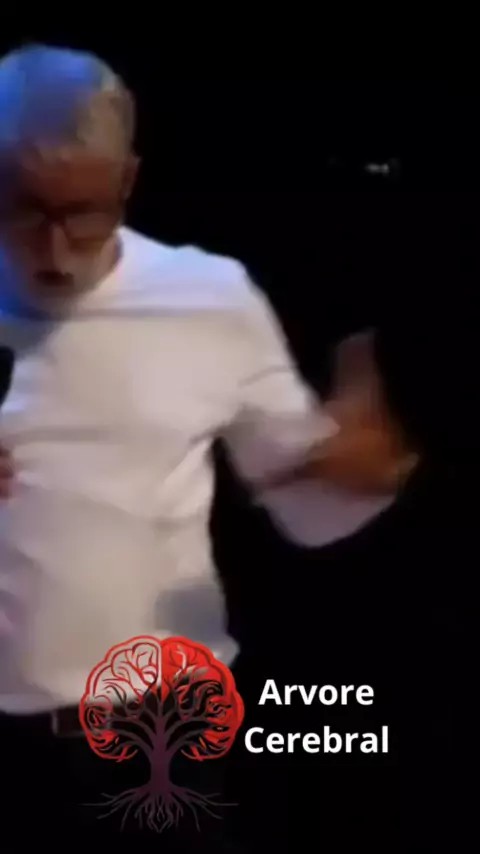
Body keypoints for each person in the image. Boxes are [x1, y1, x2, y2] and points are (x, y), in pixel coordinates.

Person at [0, 45, 418, 851]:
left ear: (126, 181)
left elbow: (305, 507)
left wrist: (367, 476)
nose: (54, 249)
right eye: (23, 209)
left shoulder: (208, 297)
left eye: (81, 213)